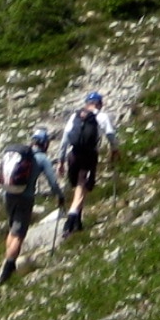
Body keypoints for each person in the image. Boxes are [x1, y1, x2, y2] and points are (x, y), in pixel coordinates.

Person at [0, 128, 60, 283]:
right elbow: (52, 180)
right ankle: (8, 268)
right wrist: (59, 195)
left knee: (12, 229)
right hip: (25, 198)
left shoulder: (20, 155)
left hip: (9, 194)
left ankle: (8, 259)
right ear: (45, 143)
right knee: (19, 234)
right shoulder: (41, 158)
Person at [58, 91, 115, 236]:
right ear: (99, 104)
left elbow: (65, 138)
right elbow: (109, 134)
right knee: (82, 187)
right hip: (89, 155)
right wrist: (114, 149)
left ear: (86, 103)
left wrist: (61, 160)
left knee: (77, 186)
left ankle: (78, 222)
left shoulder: (75, 116)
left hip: (73, 154)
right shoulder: (101, 116)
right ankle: (70, 220)